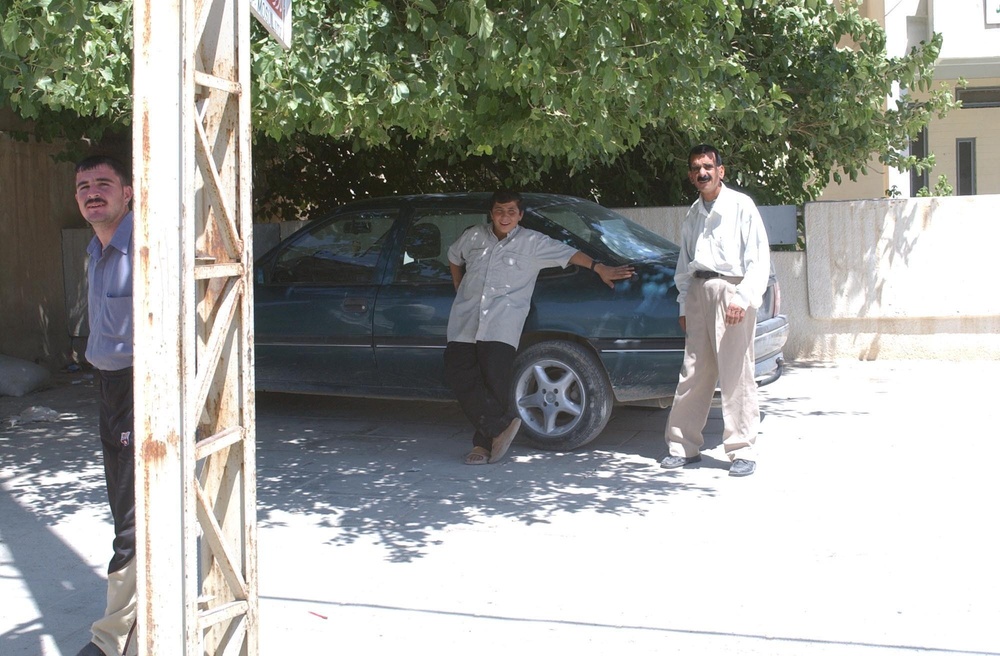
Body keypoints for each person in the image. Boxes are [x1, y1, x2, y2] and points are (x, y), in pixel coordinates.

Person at [445, 191, 633, 465]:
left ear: (520, 215)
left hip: (501, 323)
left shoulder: (533, 242)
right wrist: (458, 286)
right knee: (457, 370)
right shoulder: (474, 236)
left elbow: (569, 254)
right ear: (491, 213)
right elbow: (454, 256)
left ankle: (483, 445)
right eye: (499, 211)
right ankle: (499, 427)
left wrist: (599, 268)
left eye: (511, 211)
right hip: (465, 318)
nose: (505, 217)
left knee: (493, 381)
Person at [659, 145, 771, 477]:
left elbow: (758, 259)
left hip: (731, 292)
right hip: (698, 292)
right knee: (693, 372)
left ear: (721, 171)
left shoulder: (741, 205)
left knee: (736, 372)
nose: (702, 173)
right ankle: (683, 446)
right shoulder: (694, 213)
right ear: (690, 174)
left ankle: (742, 450)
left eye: (708, 166)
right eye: (696, 168)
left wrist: (742, 298)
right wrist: (684, 304)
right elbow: (684, 265)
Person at [74, 155, 138, 656]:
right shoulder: (96, 250)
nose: (92, 193)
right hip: (108, 388)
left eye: (103, 184)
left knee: (133, 518)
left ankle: (111, 640)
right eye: (83, 187)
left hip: (142, 388)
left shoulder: (143, 248)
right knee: (124, 508)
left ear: (128, 192)